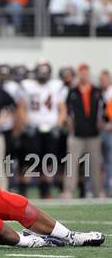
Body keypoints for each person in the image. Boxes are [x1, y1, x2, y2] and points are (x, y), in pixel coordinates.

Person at [17, 61, 67, 198]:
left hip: (51, 130)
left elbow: (62, 109)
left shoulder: (56, 86)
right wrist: (26, 123)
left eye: (45, 72)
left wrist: (58, 124)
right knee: (29, 161)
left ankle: (45, 191)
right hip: (33, 129)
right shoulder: (27, 85)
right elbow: (21, 107)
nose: (43, 74)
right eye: (40, 71)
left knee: (48, 162)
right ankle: (23, 192)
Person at [63, 64, 106, 199]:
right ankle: (69, 190)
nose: (84, 76)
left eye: (86, 73)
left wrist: (103, 121)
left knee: (95, 164)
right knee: (71, 163)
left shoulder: (97, 91)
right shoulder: (73, 91)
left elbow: (105, 109)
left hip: (94, 133)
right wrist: (69, 123)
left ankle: (98, 191)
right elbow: (67, 109)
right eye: (81, 73)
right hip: (77, 133)